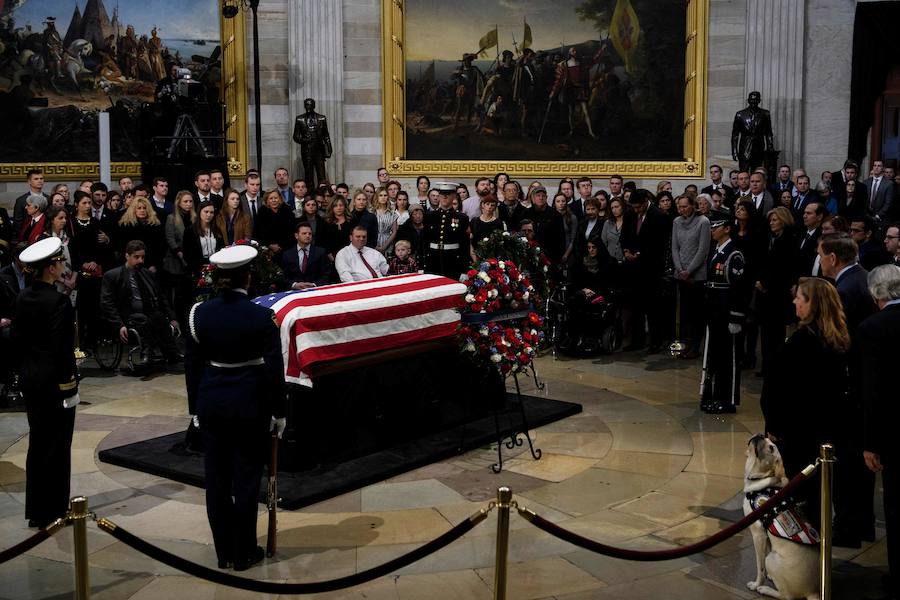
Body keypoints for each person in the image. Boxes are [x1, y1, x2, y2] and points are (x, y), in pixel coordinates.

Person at [185, 244, 286, 571]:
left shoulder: (198, 313)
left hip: (212, 403)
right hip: (249, 403)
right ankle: (244, 552)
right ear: (248, 275)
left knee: (216, 481)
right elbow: (274, 368)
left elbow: (192, 365)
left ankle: (224, 552)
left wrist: (195, 410)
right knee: (245, 479)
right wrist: (279, 411)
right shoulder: (261, 316)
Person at [761, 276, 849, 529]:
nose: (794, 301)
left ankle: (802, 560)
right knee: (816, 497)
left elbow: (781, 387)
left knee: (800, 499)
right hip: (822, 429)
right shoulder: (836, 337)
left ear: (812, 304)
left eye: (799, 297)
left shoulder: (803, 342)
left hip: (797, 433)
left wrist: (775, 426)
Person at [12, 237, 80, 528]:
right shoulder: (59, 301)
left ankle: (37, 509)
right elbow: (61, 350)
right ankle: (54, 508)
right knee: (58, 445)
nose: (63, 266)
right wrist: (69, 385)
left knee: (38, 443)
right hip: (55, 384)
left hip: (31, 379)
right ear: (51, 268)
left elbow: (16, 342)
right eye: (60, 262)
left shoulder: (22, 297)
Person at [817, 232, 878, 549]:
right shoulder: (863, 278)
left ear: (832, 258)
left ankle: (849, 525)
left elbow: (838, 341)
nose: (820, 260)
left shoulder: (844, 289)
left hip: (849, 385)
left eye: (821, 255)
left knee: (848, 463)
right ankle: (858, 522)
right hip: (861, 383)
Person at [858, 265, 900, 600]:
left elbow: (872, 390)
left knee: (896, 506)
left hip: (892, 430)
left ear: (876, 294)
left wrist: (870, 443)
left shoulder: (873, 327)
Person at [701, 210, 752, 413]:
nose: (713, 230)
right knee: (715, 356)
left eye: (717, 226)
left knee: (728, 358)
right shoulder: (717, 250)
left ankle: (727, 399)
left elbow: (740, 289)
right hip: (715, 312)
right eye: (712, 226)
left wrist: (736, 317)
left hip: (727, 312)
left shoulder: (734, 254)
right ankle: (714, 395)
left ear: (727, 229)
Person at [100, 240, 181, 365]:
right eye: (136, 257)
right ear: (127, 256)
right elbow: (107, 303)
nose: (140, 261)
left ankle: (171, 352)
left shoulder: (146, 273)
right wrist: (119, 324)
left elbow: (161, 297)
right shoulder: (112, 276)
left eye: (142, 257)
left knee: (159, 317)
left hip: (146, 312)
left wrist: (172, 318)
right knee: (142, 318)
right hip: (126, 316)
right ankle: (146, 353)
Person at [620, 189, 670, 352]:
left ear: (646, 201)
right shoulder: (629, 214)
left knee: (653, 307)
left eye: (638, 207)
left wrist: (639, 254)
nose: (636, 210)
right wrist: (626, 251)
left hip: (650, 269)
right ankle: (637, 340)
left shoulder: (659, 216)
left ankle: (656, 341)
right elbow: (624, 236)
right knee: (635, 307)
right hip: (632, 269)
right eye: (633, 207)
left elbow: (659, 244)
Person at [755, 207, 798, 377]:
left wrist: (766, 283)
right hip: (766, 293)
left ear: (784, 220)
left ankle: (775, 367)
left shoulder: (789, 240)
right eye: (770, 220)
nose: (771, 223)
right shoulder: (770, 238)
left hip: (778, 293)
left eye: (775, 220)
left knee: (776, 333)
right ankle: (766, 366)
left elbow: (784, 268)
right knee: (766, 332)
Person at [671, 194, 710, 358]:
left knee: (696, 313)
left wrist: (690, 270)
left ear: (693, 206)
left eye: (685, 206)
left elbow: (703, 250)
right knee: (684, 313)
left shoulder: (703, 222)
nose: (681, 209)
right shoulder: (676, 222)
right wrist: (680, 269)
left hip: (697, 275)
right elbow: (674, 247)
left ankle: (695, 346)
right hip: (681, 274)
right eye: (679, 206)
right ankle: (683, 345)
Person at [563, 238, 615, 352]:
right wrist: (585, 289)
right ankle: (574, 336)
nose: (591, 250)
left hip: (600, 292)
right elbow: (578, 281)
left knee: (582, 301)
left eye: (594, 247)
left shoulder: (607, 262)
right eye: (589, 247)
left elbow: (607, 282)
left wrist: (592, 290)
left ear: (599, 248)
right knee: (574, 299)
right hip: (584, 292)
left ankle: (587, 337)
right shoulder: (582, 262)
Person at [423, 182, 471, 280]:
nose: (445, 197)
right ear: (439, 196)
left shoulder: (462, 218)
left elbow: (464, 245)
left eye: (448, 194)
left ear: (453, 196)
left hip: (453, 261)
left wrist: (464, 269)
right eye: (442, 194)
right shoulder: (429, 216)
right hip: (433, 259)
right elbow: (424, 241)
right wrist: (421, 265)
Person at [117, 197, 166, 273]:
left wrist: (155, 265)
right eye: (139, 208)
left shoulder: (156, 225)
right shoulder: (125, 225)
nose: (142, 210)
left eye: (144, 208)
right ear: (133, 210)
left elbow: (160, 247)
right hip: (129, 265)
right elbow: (122, 247)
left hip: (151, 266)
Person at [280, 222, 331, 289]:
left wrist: (314, 285)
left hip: (316, 290)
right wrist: (295, 285)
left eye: (310, 234)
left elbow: (327, 274)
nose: (308, 236)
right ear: (296, 236)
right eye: (304, 233)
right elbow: (283, 276)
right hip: (294, 292)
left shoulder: (320, 252)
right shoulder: (288, 254)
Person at [183, 200, 224, 281]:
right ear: (199, 212)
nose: (209, 215)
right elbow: (187, 254)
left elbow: (221, 249)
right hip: (198, 270)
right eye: (206, 211)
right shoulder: (190, 230)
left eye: (211, 212)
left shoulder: (217, 230)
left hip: (216, 268)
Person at [254, 189, 296, 258]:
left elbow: (292, 231)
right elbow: (257, 233)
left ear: (280, 199)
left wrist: (280, 246)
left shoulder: (287, 209)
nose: (274, 200)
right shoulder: (262, 211)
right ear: (267, 201)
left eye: (276, 198)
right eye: (271, 198)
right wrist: (270, 245)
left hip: (286, 248)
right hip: (267, 250)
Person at [470, 194, 505, 261]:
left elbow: (499, 242)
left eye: (492, 205)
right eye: (487, 204)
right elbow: (471, 240)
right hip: (475, 255)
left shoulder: (498, 222)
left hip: (492, 256)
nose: (489, 207)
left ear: (495, 208)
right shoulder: (474, 221)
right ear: (483, 205)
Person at [13, 169, 48, 234]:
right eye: (36, 179)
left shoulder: (49, 199)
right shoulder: (21, 200)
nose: (39, 181)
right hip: (27, 236)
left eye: (41, 178)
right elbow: (18, 223)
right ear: (29, 181)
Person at [321, 196, 352, 261]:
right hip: (330, 256)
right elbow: (323, 240)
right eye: (335, 206)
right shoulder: (326, 221)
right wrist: (330, 256)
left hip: (348, 255)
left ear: (345, 206)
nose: (339, 208)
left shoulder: (351, 220)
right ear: (332, 207)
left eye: (341, 205)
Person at [372, 187, 399, 257]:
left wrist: (385, 246)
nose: (383, 197)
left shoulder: (392, 213)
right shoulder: (372, 212)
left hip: (387, 242)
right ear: (377, 197)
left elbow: (394, 232)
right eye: (380, 195)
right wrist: (374, 245)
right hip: (373, 241)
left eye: (385, 195)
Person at [555, 192, 579, 264]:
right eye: (558, 201)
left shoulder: (572, 217)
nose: (561, 203)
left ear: (566, 202)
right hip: (554, 252)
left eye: (563, 201)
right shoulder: (551, 216)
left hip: (568, 251)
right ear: (554, 203)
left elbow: (573, 239)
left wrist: (566, 255)